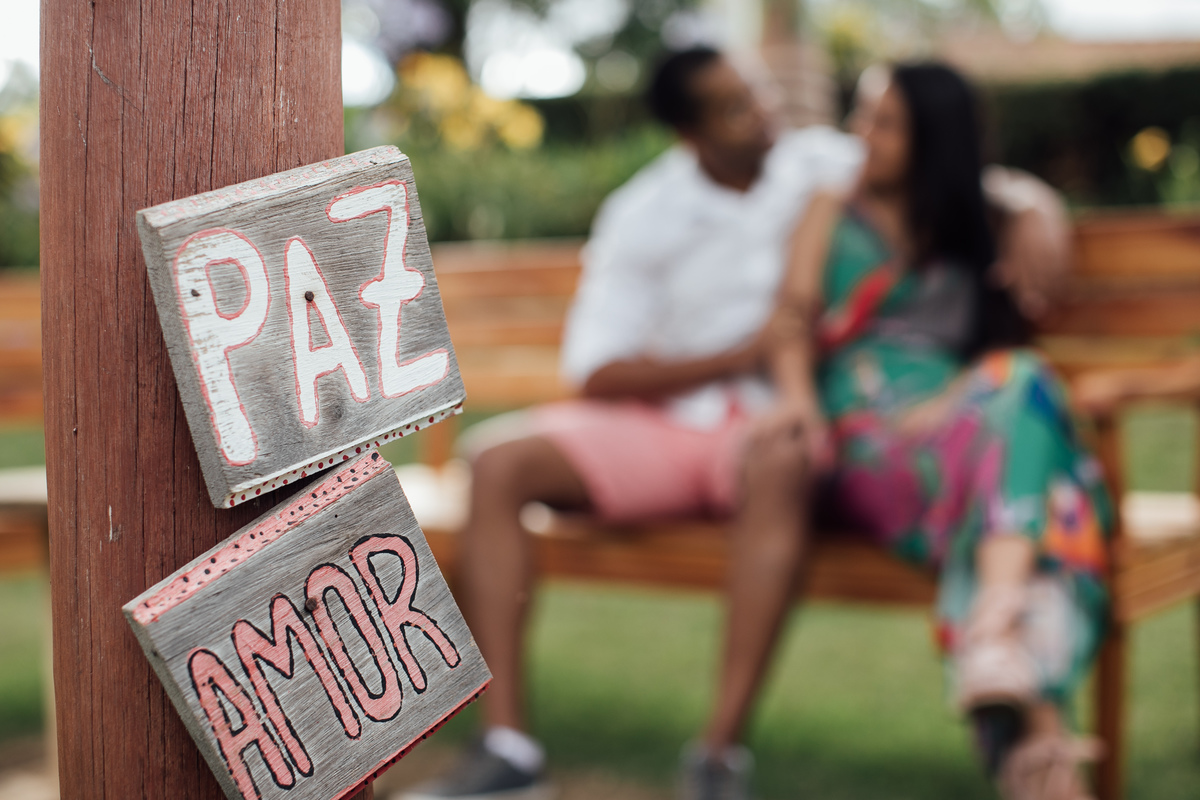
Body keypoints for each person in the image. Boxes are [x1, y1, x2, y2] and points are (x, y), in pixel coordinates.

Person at [398, 49, 1071, 800]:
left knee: (782, 455)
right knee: (495, 461)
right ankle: (510, 754)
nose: (764, 115)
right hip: (661, 425)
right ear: (691, 134)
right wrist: (734, 355)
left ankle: (717, 760)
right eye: (736, 108)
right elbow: (595, 370)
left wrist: (1035, 205)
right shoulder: (642, 214)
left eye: (758, 92)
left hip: (764, 427)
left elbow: (938, 160)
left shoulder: (811, 161)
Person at [720, 62, 1110, 800]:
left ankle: (1018, 703)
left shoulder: (970, 219)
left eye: (884, 121)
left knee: (1035, 470)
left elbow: (1007, 194)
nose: (862, 135)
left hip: (963, 434)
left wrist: (1035, 198)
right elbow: (793, 321)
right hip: (868, 440)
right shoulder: (830, 210)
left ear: (933, 136)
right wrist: (801, 401)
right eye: (861, 116)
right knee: (1043, 459)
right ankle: (1023, 693)